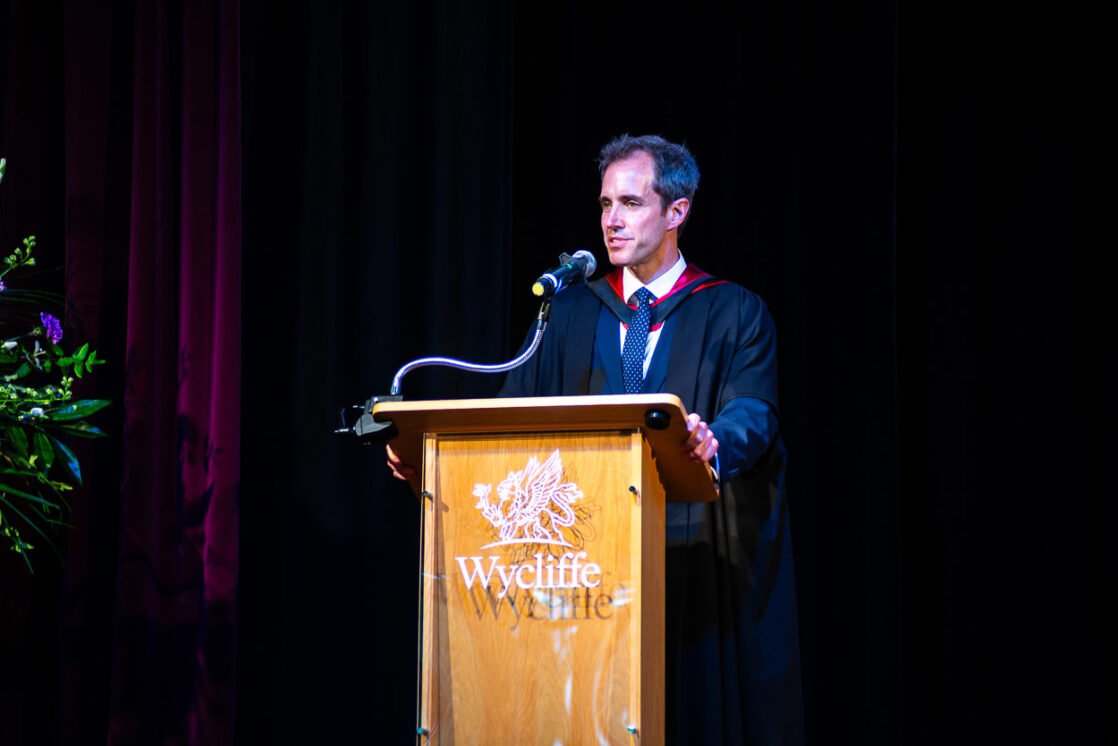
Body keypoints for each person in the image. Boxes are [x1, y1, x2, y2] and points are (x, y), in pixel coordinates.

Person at [389, 134, 803, 745]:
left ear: (677, 212)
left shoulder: (735, 312)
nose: (612, 220)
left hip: (691, 563)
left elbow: (753, 411)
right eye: (605, 204)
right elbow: (511, 416)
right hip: (584, 571)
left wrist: (717, 441)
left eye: (631, 203)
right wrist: (435, 452)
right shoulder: (573, 315)